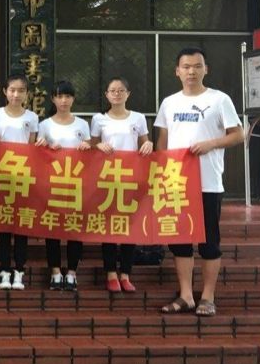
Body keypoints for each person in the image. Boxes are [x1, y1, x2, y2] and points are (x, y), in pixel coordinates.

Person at [155, 47, 243, 317]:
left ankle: (207, 296)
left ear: (206, 69)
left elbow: (238, 134)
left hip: (208, 183)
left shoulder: (219, 99)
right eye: (186, 66)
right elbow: (162, 143)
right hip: (176, 183)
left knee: (209, 242)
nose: (191, 71)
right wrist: (160, 176)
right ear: (177, 71)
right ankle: (185, 296)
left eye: (197, 66)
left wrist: (211, 144)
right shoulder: (169, 103)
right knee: (180, 242)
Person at [90, 76, 153, 293]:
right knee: (108, 226)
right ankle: (110, 273)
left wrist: (148, 144)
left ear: (128, 94)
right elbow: (91, 146)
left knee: (129, 226)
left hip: (131, 179)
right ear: (106, 95)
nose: (117, 94)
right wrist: (99, 146)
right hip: (107, 178)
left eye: (121, 90)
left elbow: (145, 143)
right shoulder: (98, 119)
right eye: (112, 91)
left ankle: (125, 273)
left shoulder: (138, 118)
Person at [36, 80, 92, 291]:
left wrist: (86, 146)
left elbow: (90, 152)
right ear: (53, 99)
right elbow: (37, 153)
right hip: (52, 183)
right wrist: (47, 147)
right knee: (52, 228)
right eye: (59, 96)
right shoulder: (45, 125)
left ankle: (72, 272)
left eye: (67, 96)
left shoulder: (82, 125)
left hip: (76, 183)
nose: (64, 101)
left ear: (73, 99)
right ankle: (55, 271)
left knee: (74, 228)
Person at [0, 74, 39, 291]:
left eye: (21, 90)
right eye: (12, 90)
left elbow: (32, 147)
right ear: (5, 92)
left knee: (21, 223)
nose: (16, 94)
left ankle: (19, 268)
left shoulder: (32, 117)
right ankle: (4, 268)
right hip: (1, 175)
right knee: (3, 222)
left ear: (27, 94)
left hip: (23, 176)